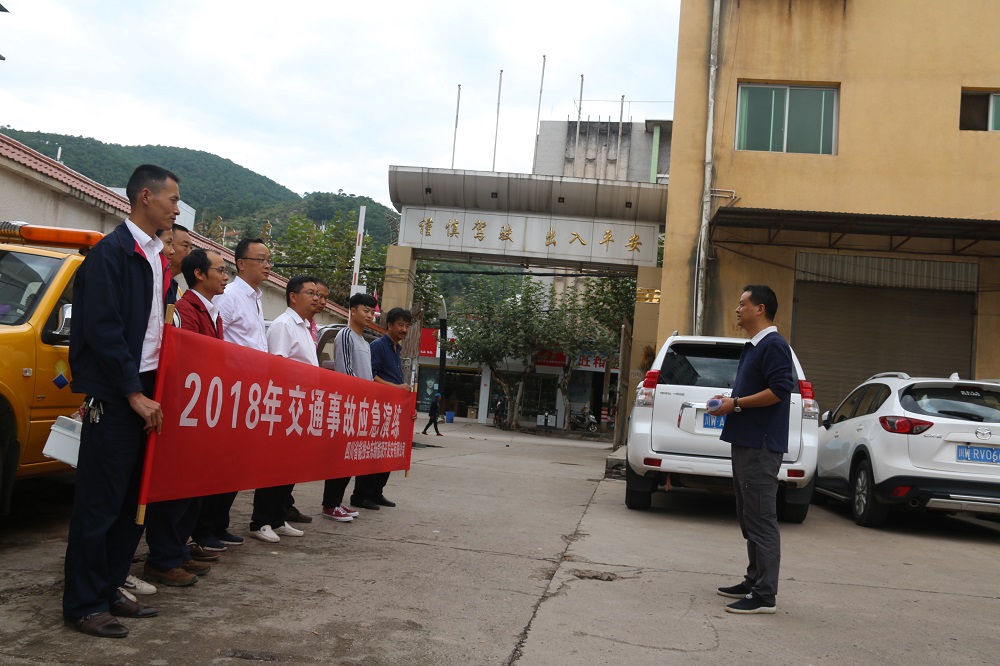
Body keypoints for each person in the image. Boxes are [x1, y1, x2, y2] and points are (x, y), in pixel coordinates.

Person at [62, 164, 179, 638]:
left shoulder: (155, 256)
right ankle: (84, 604)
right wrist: (133, 393)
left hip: (147, 389)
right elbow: (104, 331)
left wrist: (153, 391)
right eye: (173, 199)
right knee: (100, 503)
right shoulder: (110, 254)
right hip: (116, 394)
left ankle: (110, 587)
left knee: (134, 499)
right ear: (145, 197)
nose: (176, 208)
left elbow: (155, 331)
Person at [708, 284, 795, 615]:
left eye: (743, 303)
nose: (737, 309)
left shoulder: (774, 345)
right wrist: (729, 400)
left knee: (761, 518)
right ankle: (753, 580)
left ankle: (764, 595)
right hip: (746, 441)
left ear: (760, 309)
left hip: (760, 445)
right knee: (749, 516)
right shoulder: (756, 346)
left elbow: (780, 389)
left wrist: (736, 404)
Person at [208, 237, 272, 548]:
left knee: (237, 465)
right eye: (261, 260)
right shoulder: (230, 296)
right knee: (221, 463)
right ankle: (206, 527)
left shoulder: (256, 297)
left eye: (269, 260)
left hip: (251, 393)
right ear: (241, 263)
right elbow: (216, 342)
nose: (267, 265)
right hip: (231, 391)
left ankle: (219, 524)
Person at [247, 276, 321, 543]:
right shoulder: (284, 325)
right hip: (285, 407)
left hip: (301, 407)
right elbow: (278, 368)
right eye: (310, 293)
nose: (316, 298)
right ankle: (261, 521)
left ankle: (278, 519)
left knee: (289, 467)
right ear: (293, 296)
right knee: (274, 466)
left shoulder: (305, 327)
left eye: (317, 294)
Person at [176, 249, 239, 554]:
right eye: (220, 270)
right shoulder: (185, 309)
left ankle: (185, 545)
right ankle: (173, 550)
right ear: (199, 274)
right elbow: (190, 359)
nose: (225, 277)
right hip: (190, 410)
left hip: (207, 409)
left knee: (200, 481)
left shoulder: (213, 312)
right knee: (183, 484)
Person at [321, 292, 378, 520]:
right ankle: (329, 505)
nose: (370, 315)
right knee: (340, 458)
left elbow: (368, 377)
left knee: (350, 458)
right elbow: (347, 372)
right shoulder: (345, 335)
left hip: (361, 408)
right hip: (348, 406)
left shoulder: (365, 342)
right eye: (365, 310)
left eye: (372, 312)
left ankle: (337, 502)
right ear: (352, 311)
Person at [359, 307, 416, 506]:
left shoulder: (396, 349)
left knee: (387, 453)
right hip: (378, 408)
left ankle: (376, 493)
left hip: (393, 409)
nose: (404, 330)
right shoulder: (378, 346)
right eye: (400, 325)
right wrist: (397, 387)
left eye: (407, 326)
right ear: (389, 325)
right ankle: (361, 495)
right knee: (373, 452)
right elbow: (371, 376)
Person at [168, 223, 193, 293]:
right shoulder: (153, 280)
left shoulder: (177, 291)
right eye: (185, 246)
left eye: (191, 248)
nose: (189, 252)